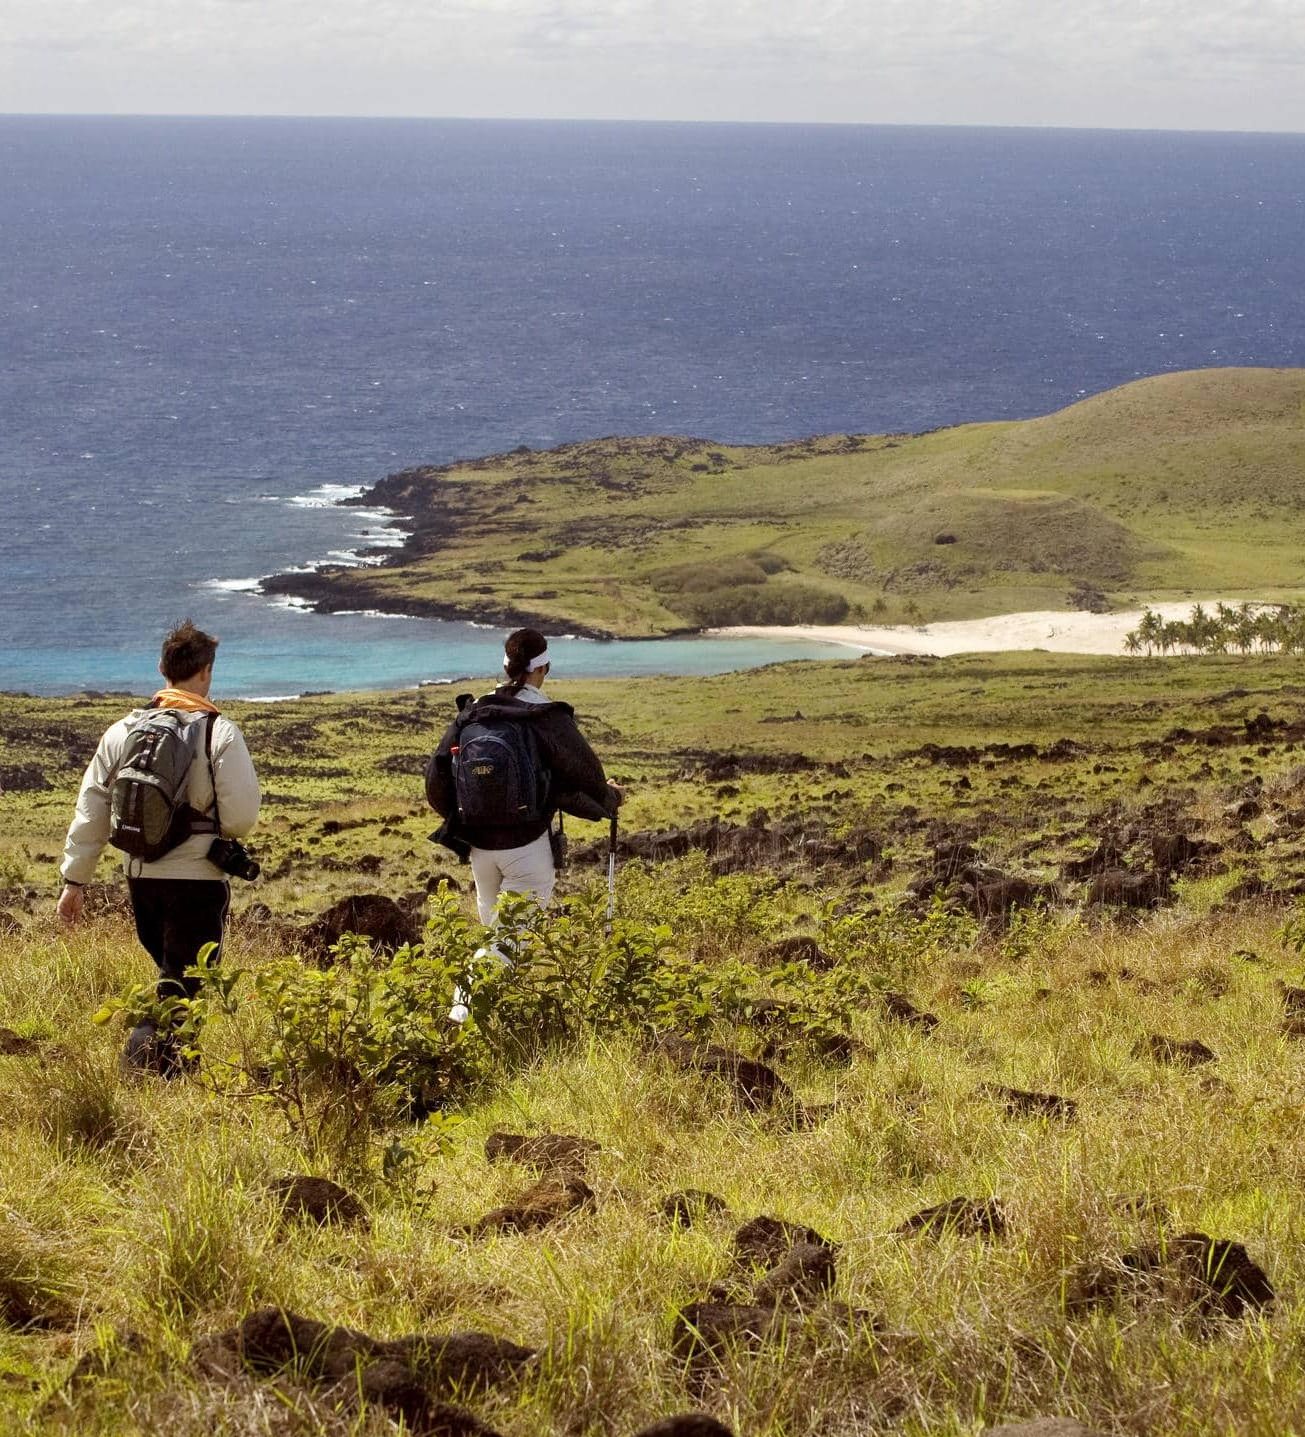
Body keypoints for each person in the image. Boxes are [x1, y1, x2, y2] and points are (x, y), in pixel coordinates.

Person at [57, 620, 261, 1074]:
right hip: (197, 881)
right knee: (184, 984)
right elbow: (242, 818)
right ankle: (144, 1074)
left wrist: (75, 881)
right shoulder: (218, 732)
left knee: (173, 978)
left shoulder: (121, 731)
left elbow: (91, 810)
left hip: (141, 878)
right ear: (205, 671)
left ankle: (166, 1074)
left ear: (162, 670)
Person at [426, 627, 620, 927]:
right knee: (508, 945)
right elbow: (586, 774)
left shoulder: (472, 713)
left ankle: (477, 973)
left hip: (479, 849)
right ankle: (472, 975)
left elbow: (436, 779)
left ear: (506, 667)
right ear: (544, 668)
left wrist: (467, 821)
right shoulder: (544, 716)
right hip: (526, 845)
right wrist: (610, 798)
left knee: (495, 935)